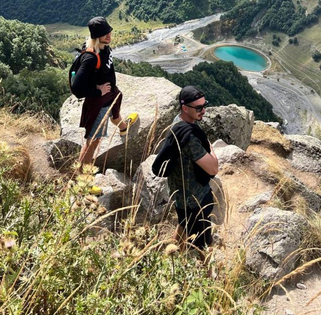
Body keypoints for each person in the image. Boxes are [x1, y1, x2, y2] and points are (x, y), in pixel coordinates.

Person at [152, 86, 218, 256]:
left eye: (204, 105)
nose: (203, 110)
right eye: (198, 108)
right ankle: (206, 275)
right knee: (203, 242)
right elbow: (213, 168)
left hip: (179, 193)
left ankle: (172, 256)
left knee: (183, 223)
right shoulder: (190, 140)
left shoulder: (177, 122)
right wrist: (211, 151)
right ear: (185, 108)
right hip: (195, 198)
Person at [72, 16, 138, 174]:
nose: (109, 35)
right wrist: (97, 91)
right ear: (96, 36)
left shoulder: (103, 46)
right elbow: (76, 88)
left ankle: (123, 127)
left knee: (115, 114)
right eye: (104, 33)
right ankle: (83, 180)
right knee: (93, 141)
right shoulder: (90, 57)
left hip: (109, 94)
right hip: (98, 101)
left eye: (109, 31)